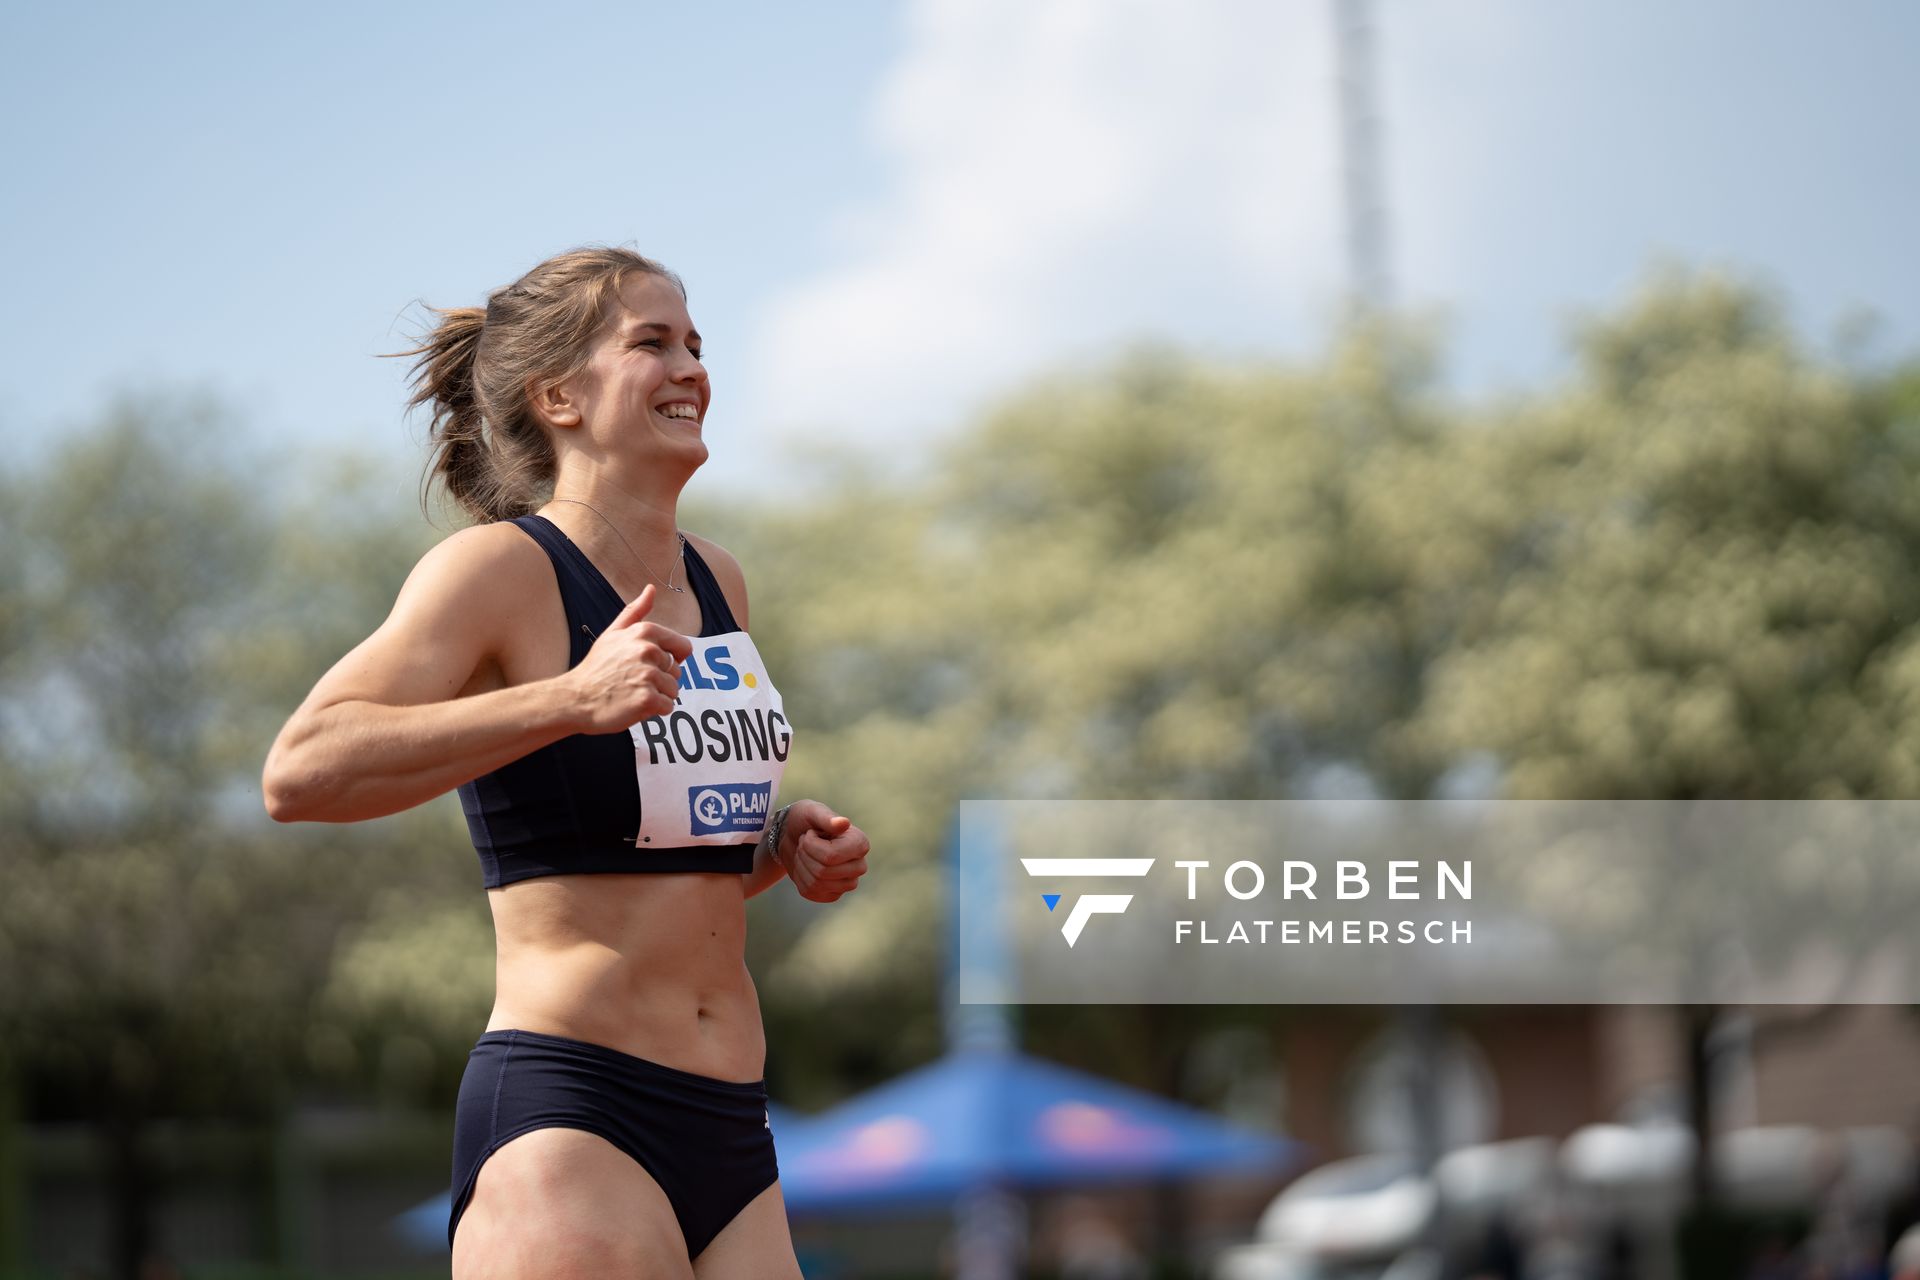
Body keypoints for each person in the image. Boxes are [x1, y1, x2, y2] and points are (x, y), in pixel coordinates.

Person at [261, 246, 871, 1278]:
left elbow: (632, 849)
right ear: (559, 396)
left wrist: (774, 843)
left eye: (695, 343)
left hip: (731, 1124)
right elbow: (300, 768)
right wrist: (569, 696)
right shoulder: (498, 568)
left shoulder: (718, 579)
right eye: (652, 342)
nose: (692, 367)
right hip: (577, 1113)